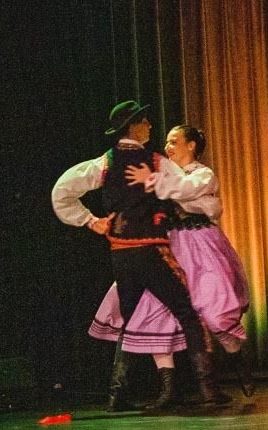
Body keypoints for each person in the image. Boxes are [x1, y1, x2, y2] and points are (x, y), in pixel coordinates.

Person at [52, 102, 224, 411]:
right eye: (145, 122)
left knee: (131, 320)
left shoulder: (103, 163)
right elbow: (185, 188)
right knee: (186, 311)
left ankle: (117, 394)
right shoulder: (156, 162)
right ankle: (208, 389)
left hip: (121, 254)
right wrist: (159, 182)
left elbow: (61, 191)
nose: (149, 126)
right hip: (151, 250)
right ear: (134, 127)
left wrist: (90, 221)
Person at [92, 123, 257, 404]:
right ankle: (167, 389)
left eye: (174, 141)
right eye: (167, 142)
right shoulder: (162, 169)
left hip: (200, 244)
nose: (168, 147)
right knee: (152, 310)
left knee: (215, 311)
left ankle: (236, 361)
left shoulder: (201, 174)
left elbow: (188, 192)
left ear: (191, 145)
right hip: (168, 243)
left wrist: (154, 181)